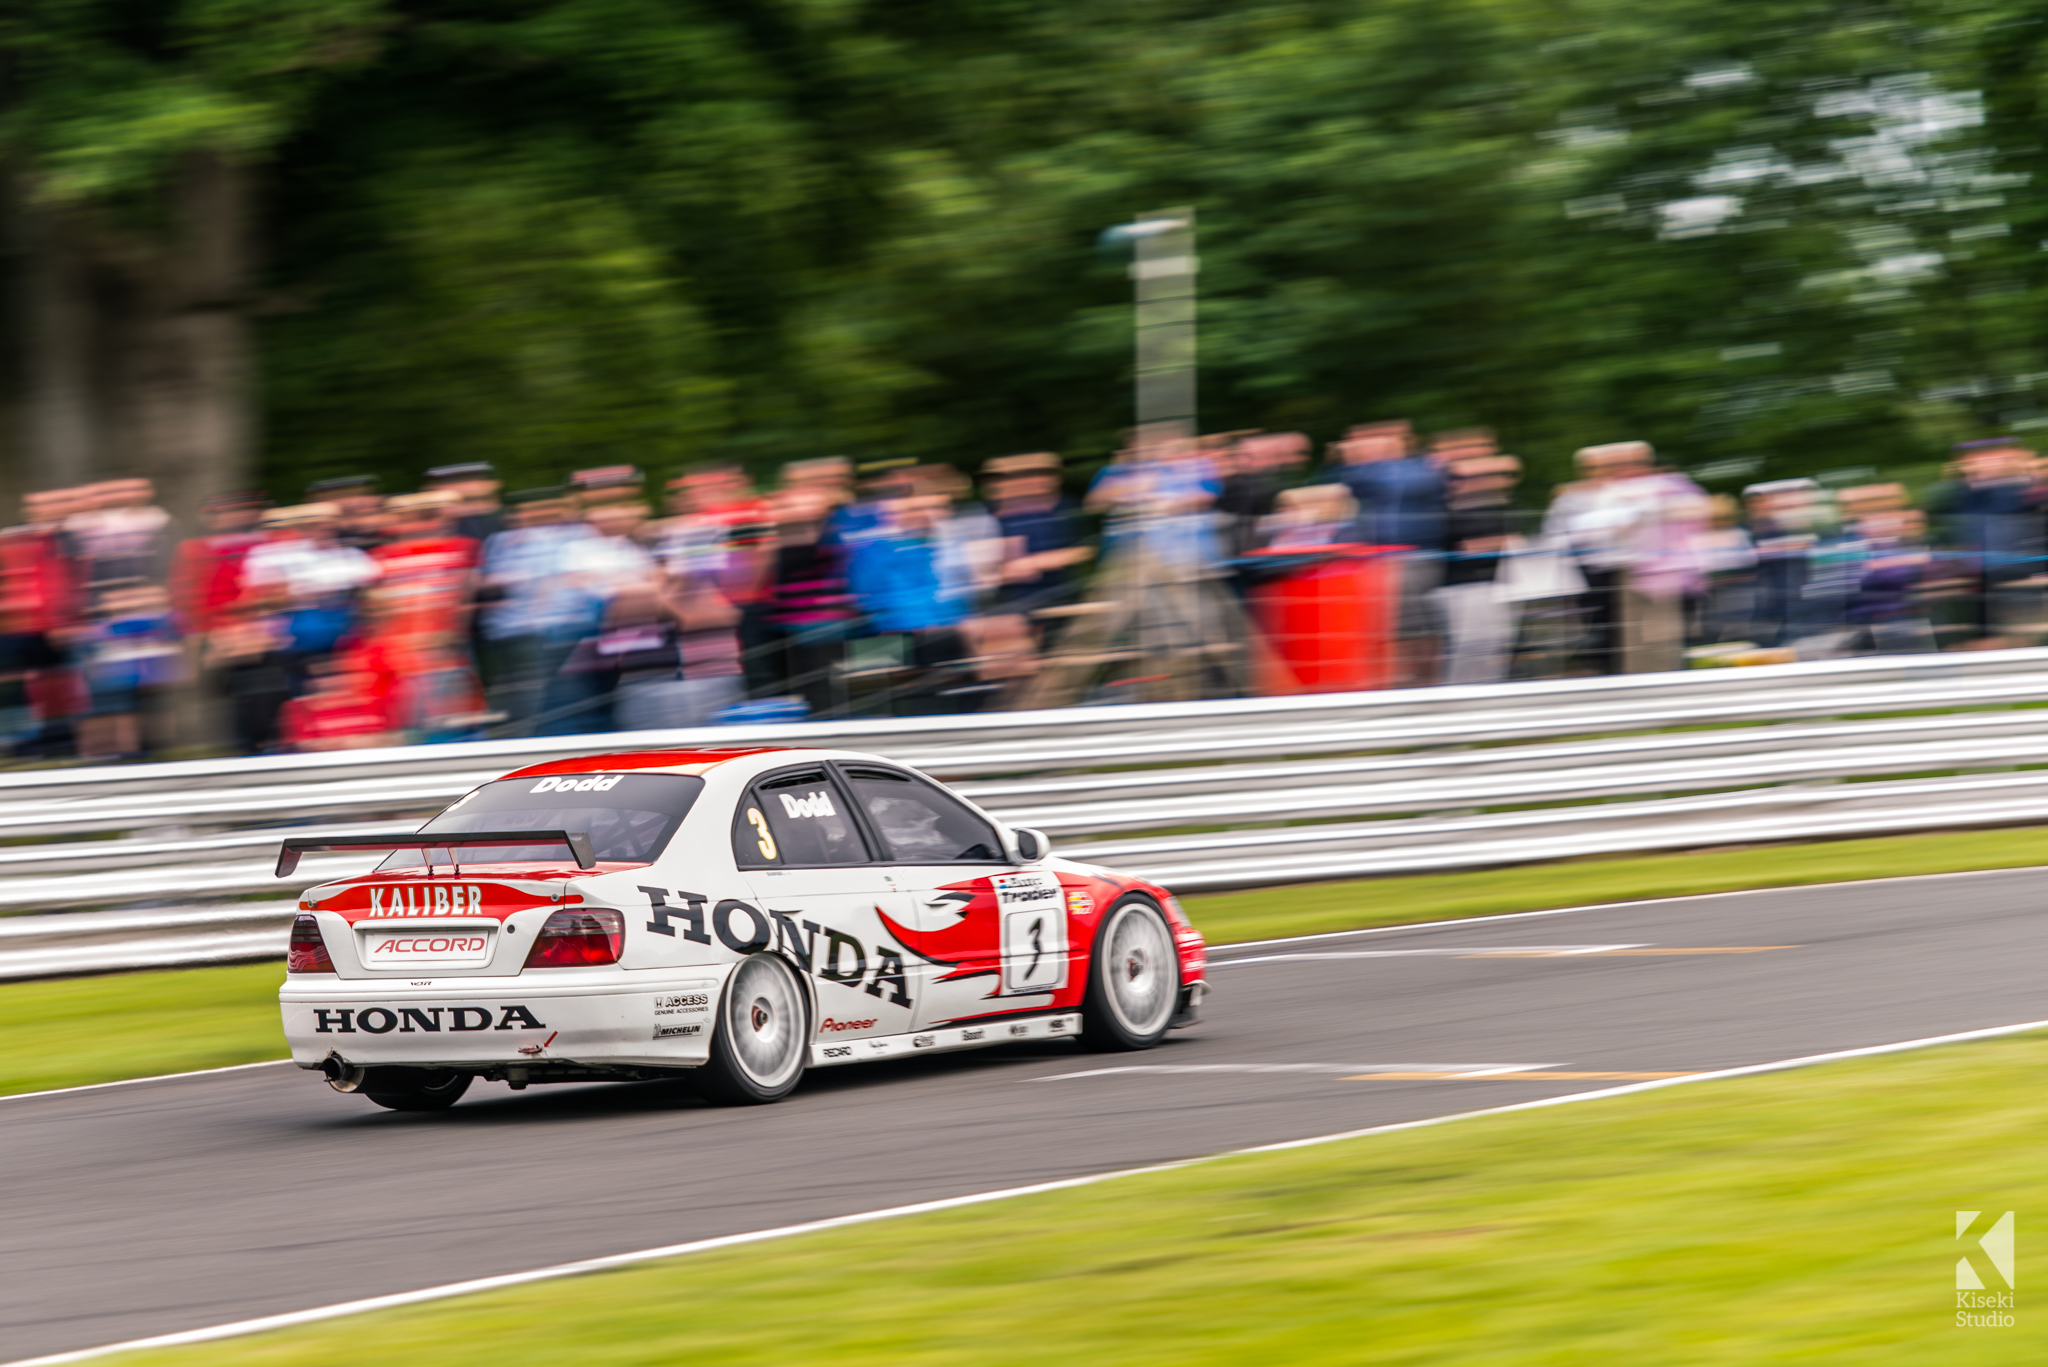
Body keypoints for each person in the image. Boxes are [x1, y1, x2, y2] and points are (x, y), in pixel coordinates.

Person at [1325, 421, 1448, 686]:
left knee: (1410, 626)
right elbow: (1340, 486)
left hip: (1411, 557)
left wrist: (1364, 460)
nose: (1364, 448)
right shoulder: (1366, 474)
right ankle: (1402, 682)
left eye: (1374, 441)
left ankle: (1420, 683)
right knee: (1395, 624)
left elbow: (1390, 485)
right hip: (1378, 560)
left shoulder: (1419, 468)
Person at [1432, 454, 1521, 685]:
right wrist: (1507, 541)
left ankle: (1487, 694)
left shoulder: (1488, 507)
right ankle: (1460, 697)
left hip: (1489, 586)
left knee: (1496, 643)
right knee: (1469, 648)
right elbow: (1471, 546)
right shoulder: (1446, 510)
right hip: (1462, 588)